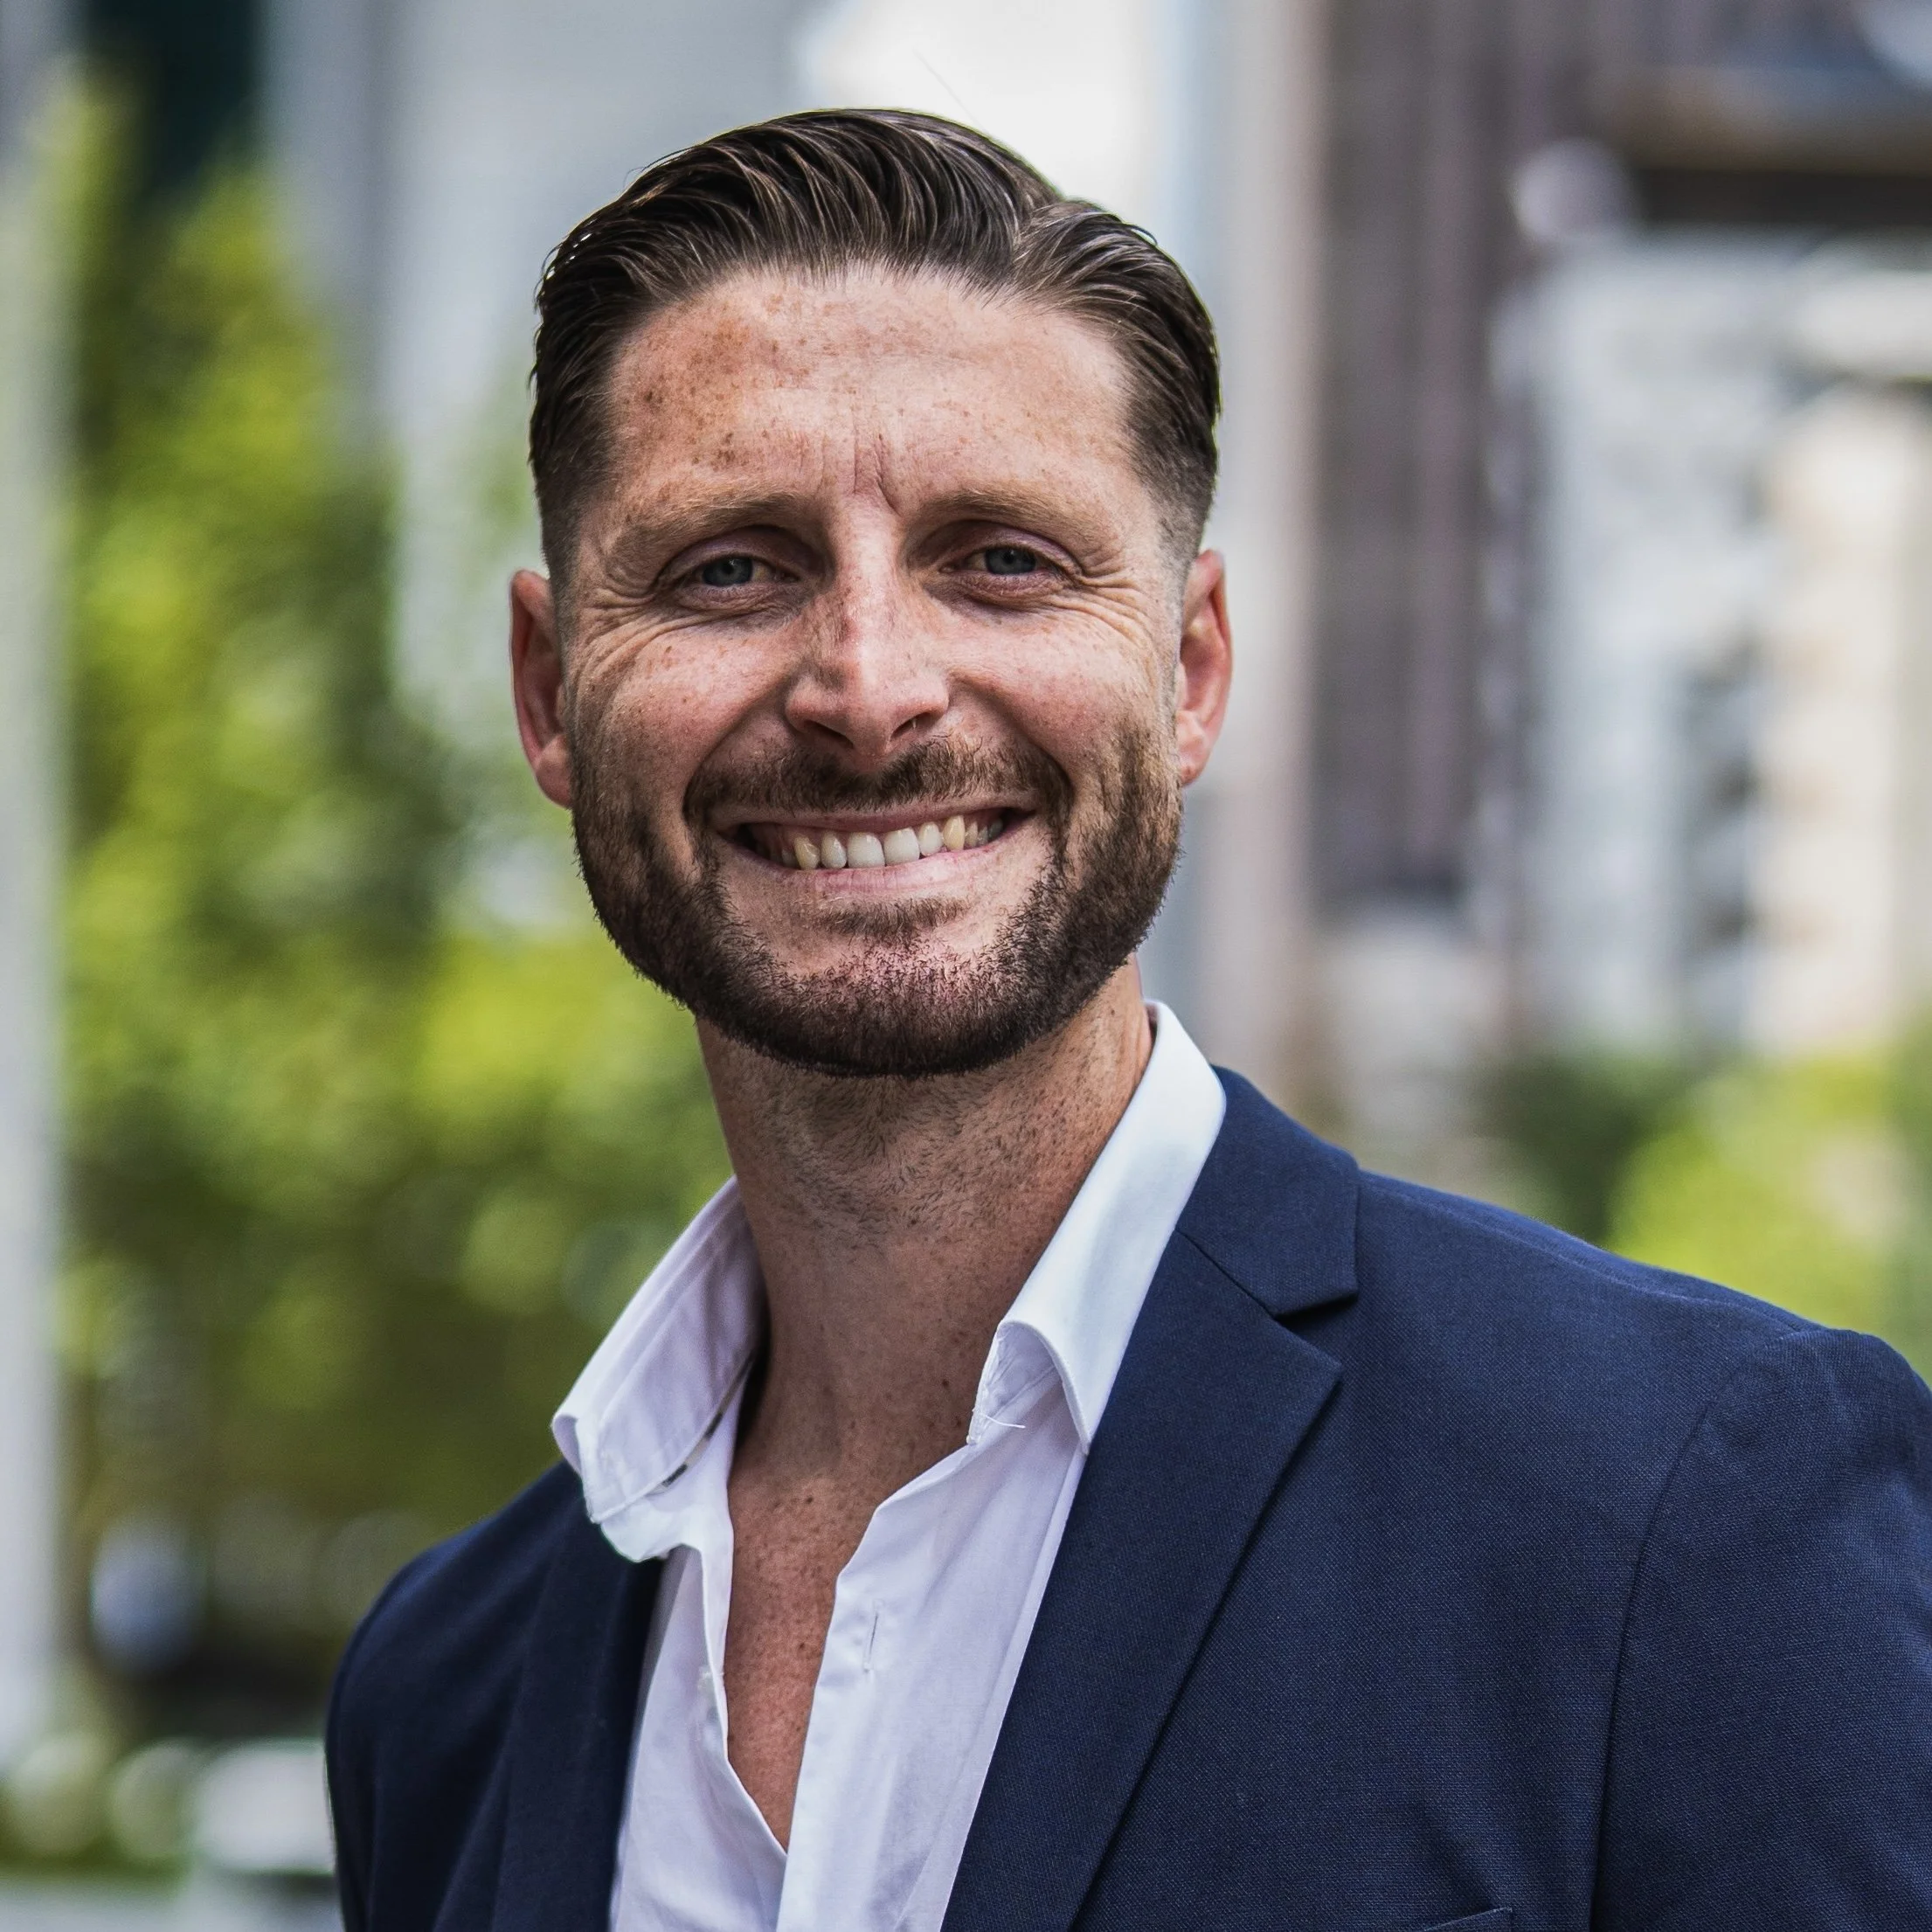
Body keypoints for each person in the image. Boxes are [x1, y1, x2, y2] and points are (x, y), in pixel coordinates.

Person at [323, 110, 1932, 1932]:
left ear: (1188, 671)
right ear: (550, 690)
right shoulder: (441, 1691)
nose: (870, 687)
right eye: (732, 569)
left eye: (998, 559)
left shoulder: (1680, 1509)